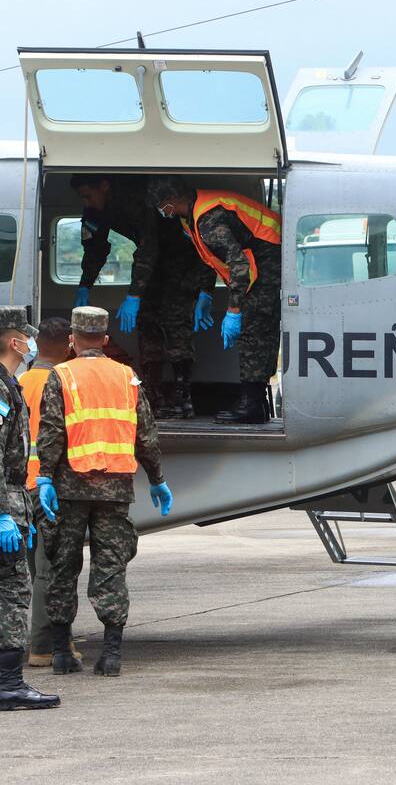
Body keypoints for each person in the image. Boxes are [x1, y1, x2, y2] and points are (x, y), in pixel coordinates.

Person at [36, 306, 174, 677]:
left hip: (70, 487)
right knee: (111, 568)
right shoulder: (126, 376)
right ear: (106, 340)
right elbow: (146, 433)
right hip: (115, 489)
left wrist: (45, 477)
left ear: (72, 340)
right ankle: (111, 655)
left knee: (63, 566)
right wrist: (158, 478)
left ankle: (62, 654)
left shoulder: (61, 375)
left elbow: (51, 431)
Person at [69, 174, 210, 419]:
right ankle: (152, 395)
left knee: (176, 323)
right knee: (147, 324)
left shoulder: (135, 198)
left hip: (181, 261)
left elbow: (149, 246)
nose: (87, 202)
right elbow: (95, 248)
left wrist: (134, 295)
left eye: (88, 195)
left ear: (104, 184)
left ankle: (182, 397)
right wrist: (85, 286)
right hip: (151, 268)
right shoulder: (94, 211)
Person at [147, 177, 281, 424]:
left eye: (161, 203)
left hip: (270, 259)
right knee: (253, 331)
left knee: (253, 331)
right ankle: (256, 402)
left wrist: (234, 309)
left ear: (173, 200)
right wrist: (206, 292)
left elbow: (239, 265)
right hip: (261, 260)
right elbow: (210, 257)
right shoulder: (191, 218)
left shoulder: (208, 219)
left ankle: (252, 405)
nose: (160, 209)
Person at [0, 307, 60, 710]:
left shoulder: (10, 384)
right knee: (13, 592)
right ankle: (9, 683)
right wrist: (4, 512)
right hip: (4, 506)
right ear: (13, 341)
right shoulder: (1, 389)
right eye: (26, 335)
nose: (30, 342)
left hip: (14, 501)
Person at [21, 318, 82, 669]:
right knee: (53, 571)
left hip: (22, 488)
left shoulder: (19, 382)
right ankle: (43, 646)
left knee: (32, 571)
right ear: (68, 344)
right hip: (51, 489)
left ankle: (52, 639)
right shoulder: (64, 383)